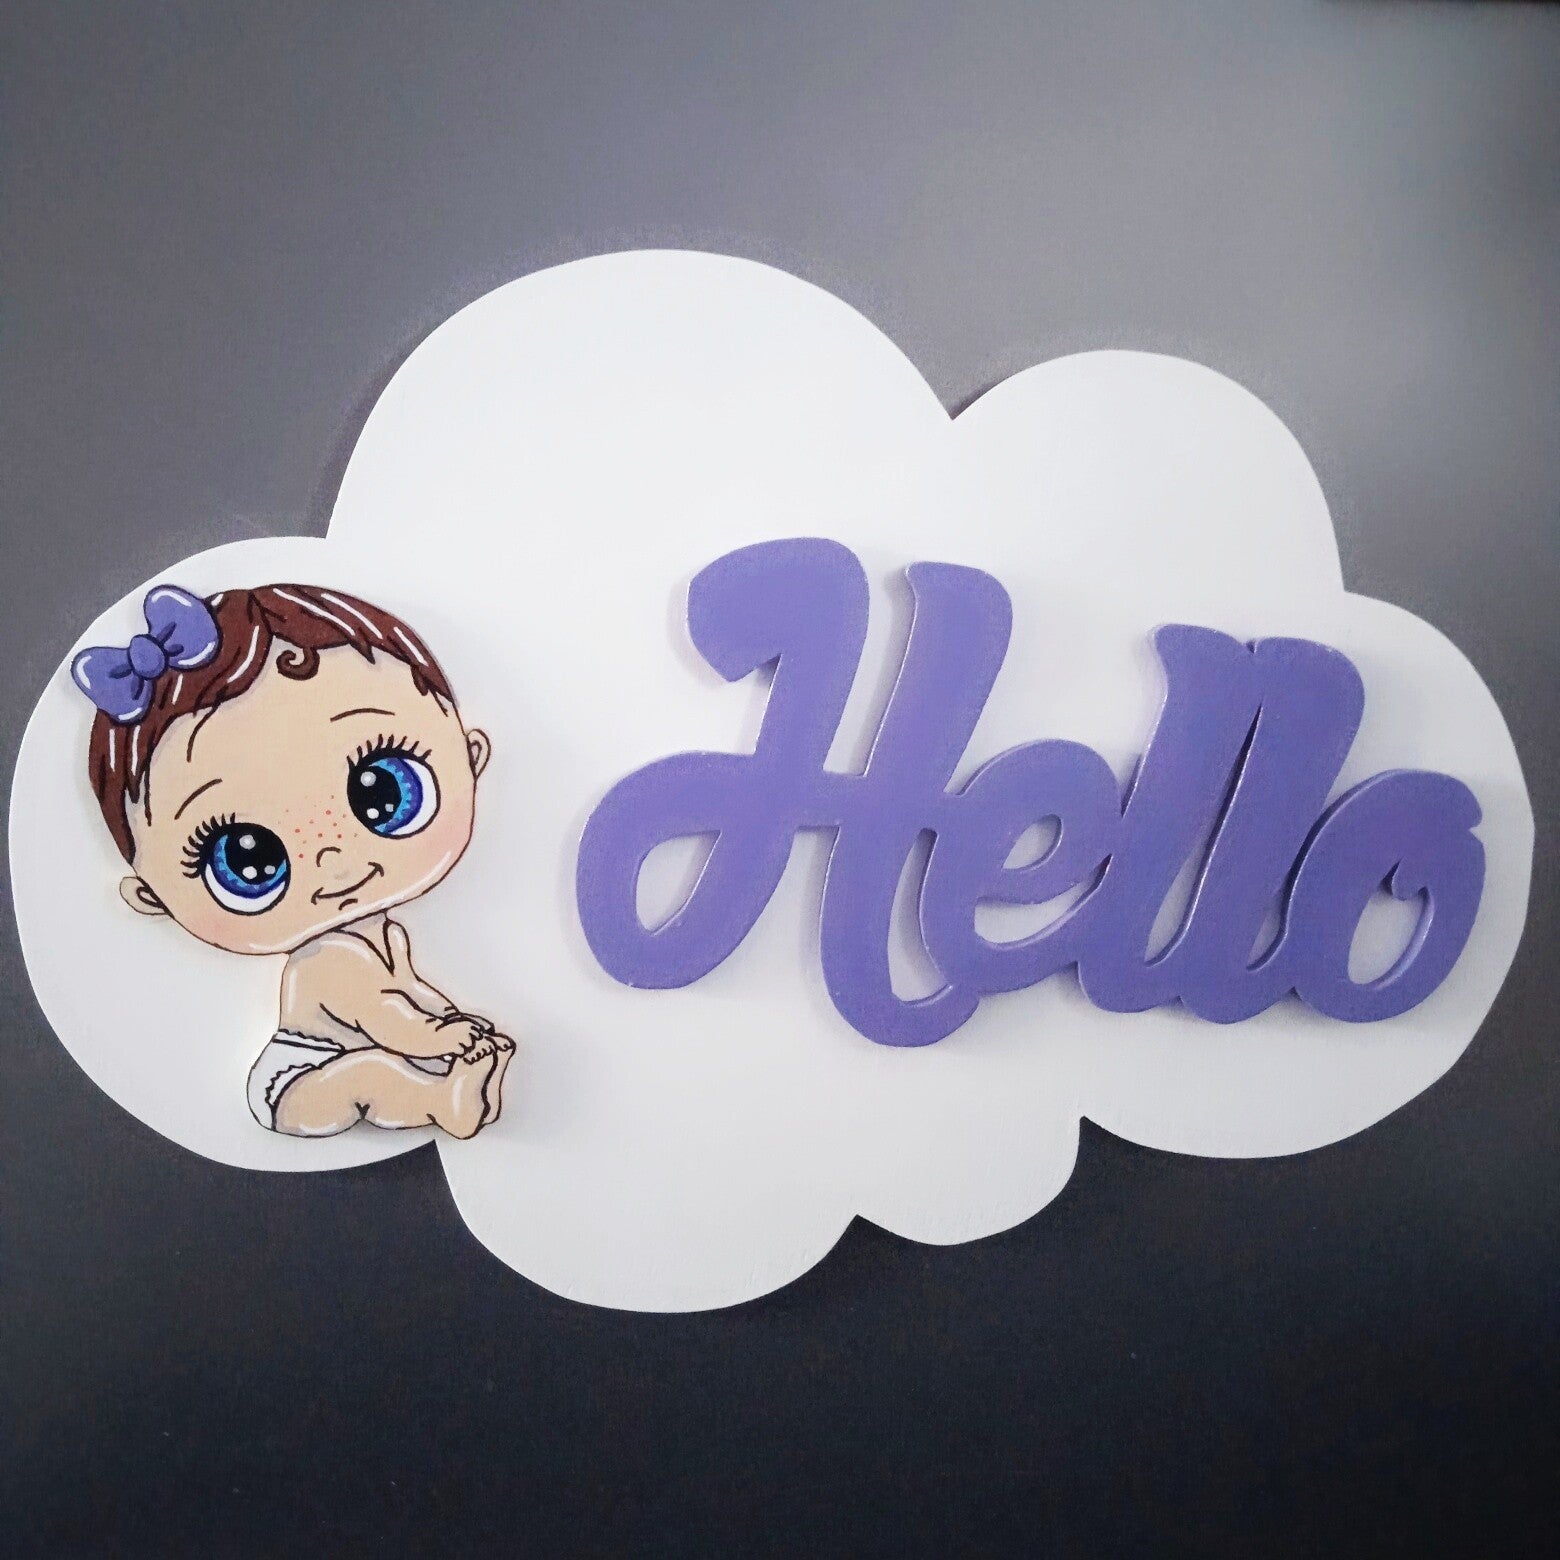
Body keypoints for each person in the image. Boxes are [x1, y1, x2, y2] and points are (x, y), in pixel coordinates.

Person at [73, 581, 514, 1138]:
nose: (334, 865)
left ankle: (451, 1092)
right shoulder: (328, 959)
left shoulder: (384, 935)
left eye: (384, 793)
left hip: (354, 1053)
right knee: (369, 1074)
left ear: (469, 756)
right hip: (293, 1080)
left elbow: (405, 991)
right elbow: (382, 1012)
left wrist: (453, 1025)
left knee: (377, 1070)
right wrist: (437, 1037)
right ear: (153, 896)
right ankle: (439, 1102)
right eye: (247, 861)